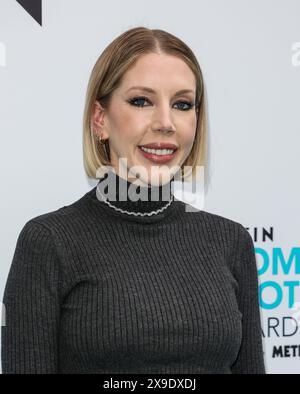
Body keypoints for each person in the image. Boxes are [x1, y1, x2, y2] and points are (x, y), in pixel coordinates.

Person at [1, 26, 266, 374]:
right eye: (141, 101)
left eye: (182, 104)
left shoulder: (230, 241)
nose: (166, 123)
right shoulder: (49, 241)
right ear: (100, 119)